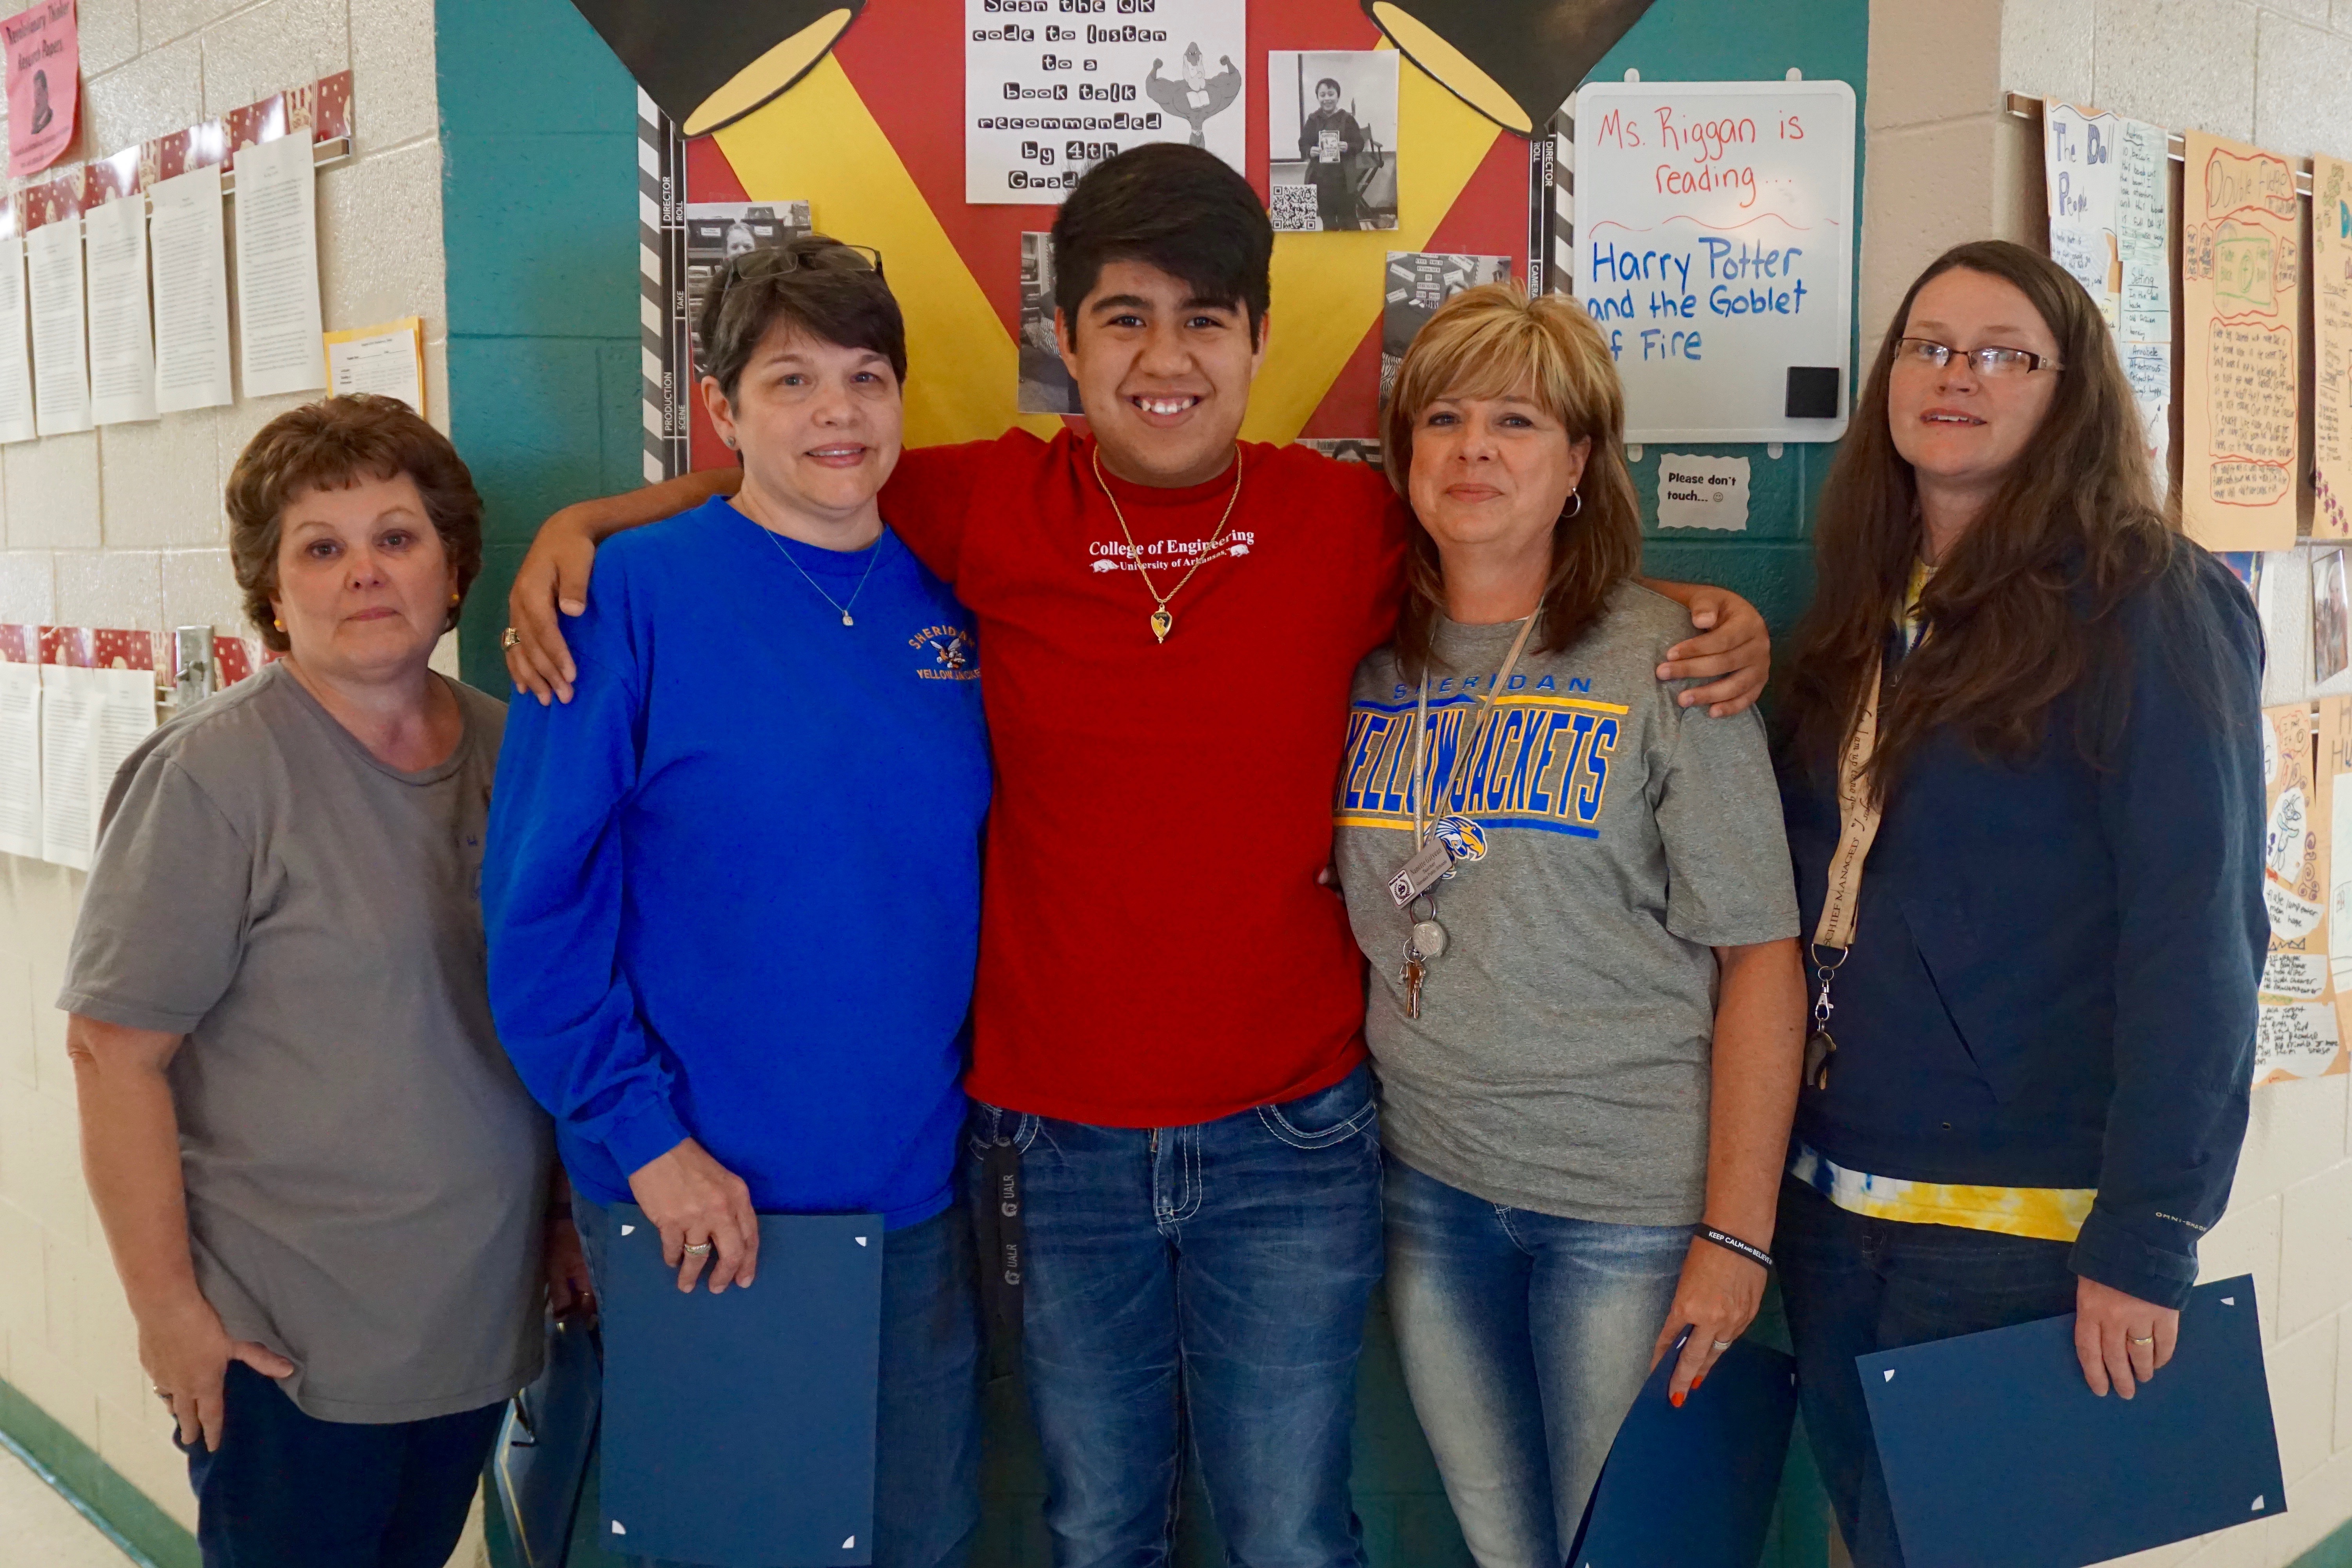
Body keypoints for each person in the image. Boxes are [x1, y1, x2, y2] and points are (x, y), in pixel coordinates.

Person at [498, 144, 1774, 1567]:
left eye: (1204, 321)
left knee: (1289, 1528)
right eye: (1124, 317)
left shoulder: (1343, 518)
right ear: (1064, 338)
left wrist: (1700, 609)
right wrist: (582, 524)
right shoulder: (983, 502)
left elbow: (1514, 551)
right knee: (1098, 1525)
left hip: (1293, 1129)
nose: (1165, 358)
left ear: (1257, 341)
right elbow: (793, 478)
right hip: (1049, 1139)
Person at [481, 235, 989, 1568]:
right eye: (791, 381)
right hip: (702, 1198)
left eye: (866, 378)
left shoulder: (956, 594)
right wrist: (642, 1138)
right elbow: (539, 913)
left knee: (915, 1543)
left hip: (914, 1192)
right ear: (723, 409)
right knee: (731, 1545)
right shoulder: (620, 598)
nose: (837, 414)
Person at [1769, 240, 2266, 1568]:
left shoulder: (2150, 600)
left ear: (2070, 392)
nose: (1956, 375)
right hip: (1832, 1208)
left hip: (2017, 1241)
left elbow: (2201, 938)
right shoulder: (1871, 605)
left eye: (2004, 354)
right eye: (1929, 345)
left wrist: (2154, 1231)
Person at [58, 395, 583, 1568]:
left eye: (396, 536)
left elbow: (543, 1018)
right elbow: (111, 1053)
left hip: (469, 1320)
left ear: (453, 569)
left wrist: (556, 1213)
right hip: (287, 1345)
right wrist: (168, 1317)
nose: (364, 572)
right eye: (321, 546)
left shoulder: (516, 752)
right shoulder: (214, 777)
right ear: (271, 588)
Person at [1332, 283, 1805, 1567]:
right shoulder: (1365, 657)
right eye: (1444, 419)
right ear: (1405, 457)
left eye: (1518, 422)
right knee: (1507, 1551)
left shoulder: (1672, 662)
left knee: (1628, 1553)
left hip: (1629, 1208)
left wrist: (1733, 1234)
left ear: (1581, 462)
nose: (1475, 449)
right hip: (1430, 1188)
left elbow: (1762, 954)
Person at [1299, 76, 1368, 232]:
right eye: (1322, 95)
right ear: (1318, 97)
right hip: (1321, 178)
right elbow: (1303, 143)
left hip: (1344, 179)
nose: (1327, 99)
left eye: (1331, 94)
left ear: (1338, 96)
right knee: (1328, 222)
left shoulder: (1348, 119)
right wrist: (1310, 150)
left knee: (1349, 221)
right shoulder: (1313, 119)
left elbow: (1359, 143)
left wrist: (1348, 147)